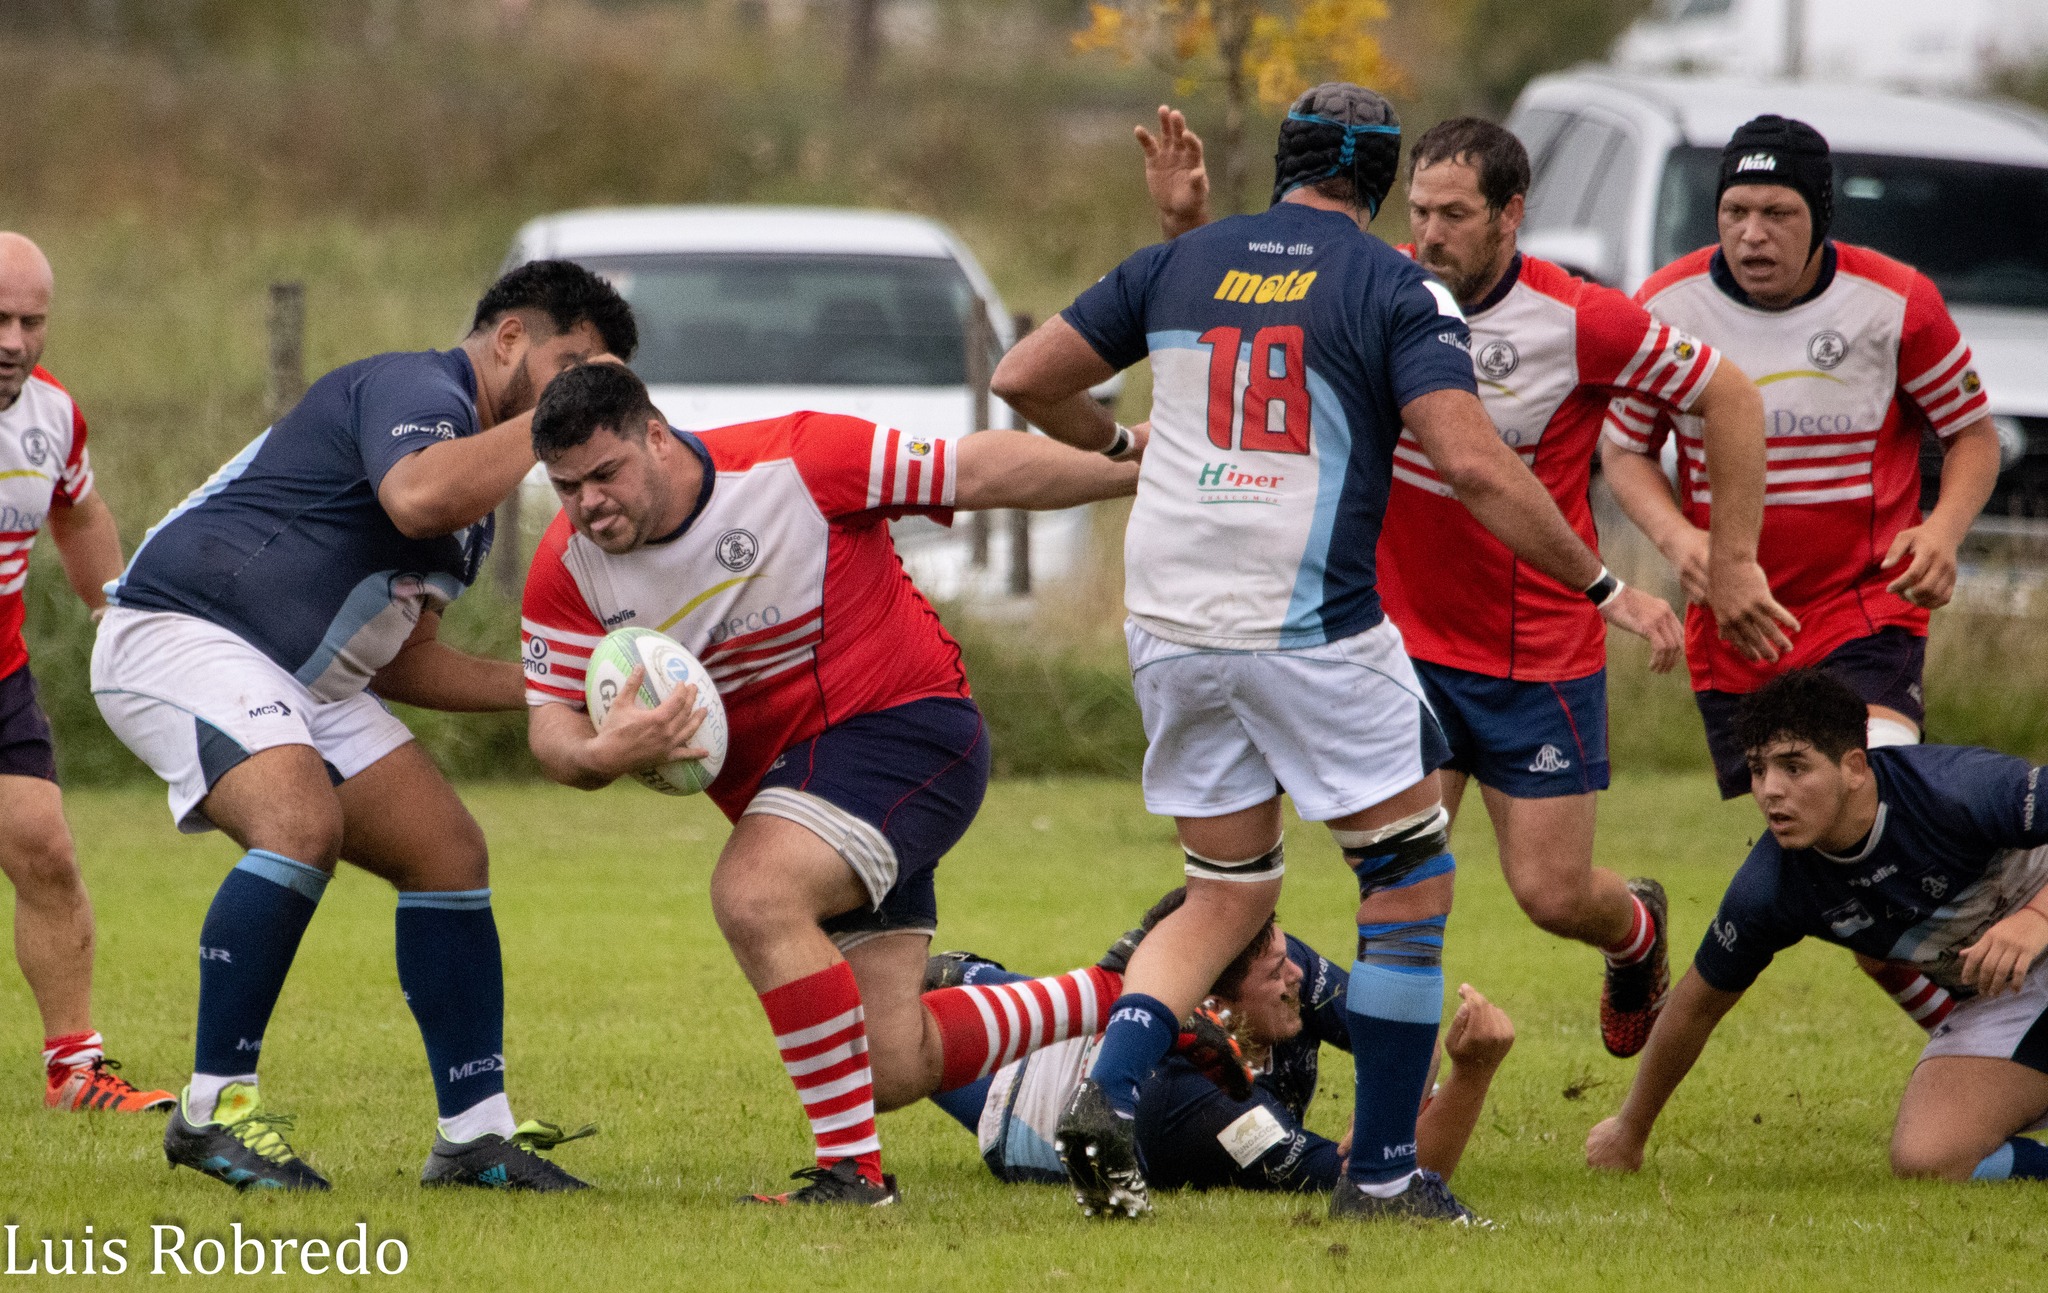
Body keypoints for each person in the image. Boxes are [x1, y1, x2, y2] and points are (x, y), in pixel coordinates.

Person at [990, 81, 1678, 1224]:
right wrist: (1599, 583)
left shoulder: (1185, 259)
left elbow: (1023, 379)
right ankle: (1382, 1176)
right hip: (1306, 624)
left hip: (1165, 620)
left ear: (1282, 164)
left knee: (1222, 891)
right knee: (1407, 880)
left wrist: (1120, 441)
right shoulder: (1395, 282)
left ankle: (1106, 1092)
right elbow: (1468, 463)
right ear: (1381, 185)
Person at [1132, 108, 1793, 1060]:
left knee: (1552, 895)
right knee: (1395, 883)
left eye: (1454, 214)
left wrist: (1729, 560)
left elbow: (1728, 394)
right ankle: (1395, 1124)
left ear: (1510, 214)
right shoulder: (1378, 288)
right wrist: (1181, 232)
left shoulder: (1578, 318)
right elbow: (1231, 345)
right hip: (1403, 647)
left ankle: (1636, 930)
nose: (1430, 233)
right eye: (1420, 209)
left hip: (1539, 656)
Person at [519, 362, 1146, 1206]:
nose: (589, 503)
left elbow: (980, 469)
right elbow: (550, 727)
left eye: (605, 473)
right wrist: (601, 755)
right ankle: (1132, 991)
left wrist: (1140, 461)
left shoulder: (799, 461)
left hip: (909, 731)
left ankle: (853, 1176)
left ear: (656, 437)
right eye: (566, 487)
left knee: (753, 891)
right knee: (890, 1061)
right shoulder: (569, 568)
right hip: (798, 794)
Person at [90, 260, 633, 1192]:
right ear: (509, 338)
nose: (581, 398)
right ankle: (214, 1108)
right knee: (299, 823)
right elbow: (414, 496)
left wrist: (568, 681)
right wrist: (553, 430)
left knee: (449, 853)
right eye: (572, 368)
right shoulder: (413, 387)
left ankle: (474, 1135)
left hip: (306, 680)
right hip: (180, 630)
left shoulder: (478, 500)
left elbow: (403, 660)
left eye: (600, 383)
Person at [1601, 113, 2002, 1035]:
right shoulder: (1665, 305)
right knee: (1842, 885)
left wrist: (1942, 529)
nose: (1751, 234)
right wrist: (1684, 545)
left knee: (1874, 818)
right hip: (1737, 629)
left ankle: (1996, 1016)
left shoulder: (1894, 302)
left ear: (1818, 216)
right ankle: (1974, 1030)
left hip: (1868, 607)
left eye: (1777, 212)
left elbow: (1971, 435)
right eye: (1735, 210)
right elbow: (1625, 453)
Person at [1587, 669, 2048, 1184]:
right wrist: (1630, 1129)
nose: (1770, 791)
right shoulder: (1772, 888)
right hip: (2010, 997)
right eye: (1759, 771)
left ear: (1853, 767)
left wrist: (2036, 919)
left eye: (1794, 767)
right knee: (1929, 1159)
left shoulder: (1956, 788)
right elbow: (1694, 1008)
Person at [927, 890, 1515, 1196]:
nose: (1297, 978)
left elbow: (1402, 1037)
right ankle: (938, 982)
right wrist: (1472, 1076)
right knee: (904, 1052)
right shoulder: (1202, 1108)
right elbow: (1373, 1183)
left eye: (1288, 958)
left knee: (1066, 1003)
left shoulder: (1280, 962)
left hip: (1107, 1038)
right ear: (1219, 1005)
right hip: (1021, 1108)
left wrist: (1399, 1103)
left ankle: (962, 973)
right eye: (1276, 973)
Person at [0, 232, 175, 1113]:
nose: (13, 341)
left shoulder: (54, 415)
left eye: (31, 321)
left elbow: (76, 510)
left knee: (48, 853)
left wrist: (115, 615)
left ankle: (75, 1074)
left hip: (2, 677)